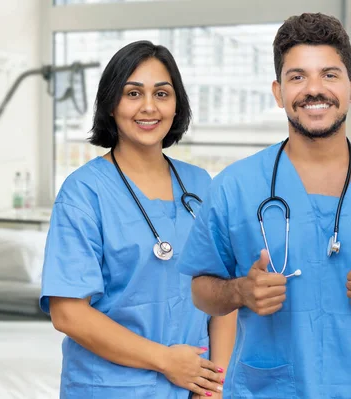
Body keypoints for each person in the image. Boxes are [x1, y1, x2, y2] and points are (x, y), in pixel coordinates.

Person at [177, 13, 351, 399]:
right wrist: (240, 291)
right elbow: (201, 290)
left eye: (329, 74)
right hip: (269, 389)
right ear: (278, 92)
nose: (314, 89)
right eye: (297, 77)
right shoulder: (234, 186)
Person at [40, 40, 236, 399]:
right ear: (111, 105)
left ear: (177, 106)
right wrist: (166, 361)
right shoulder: (84, 193)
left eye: (162, 93)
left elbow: (222, 297)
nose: (149, 107)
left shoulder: (200, 185)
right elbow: (67, 313)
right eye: (133, 93)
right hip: (109, 388)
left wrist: (213, 388)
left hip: (194, 388)